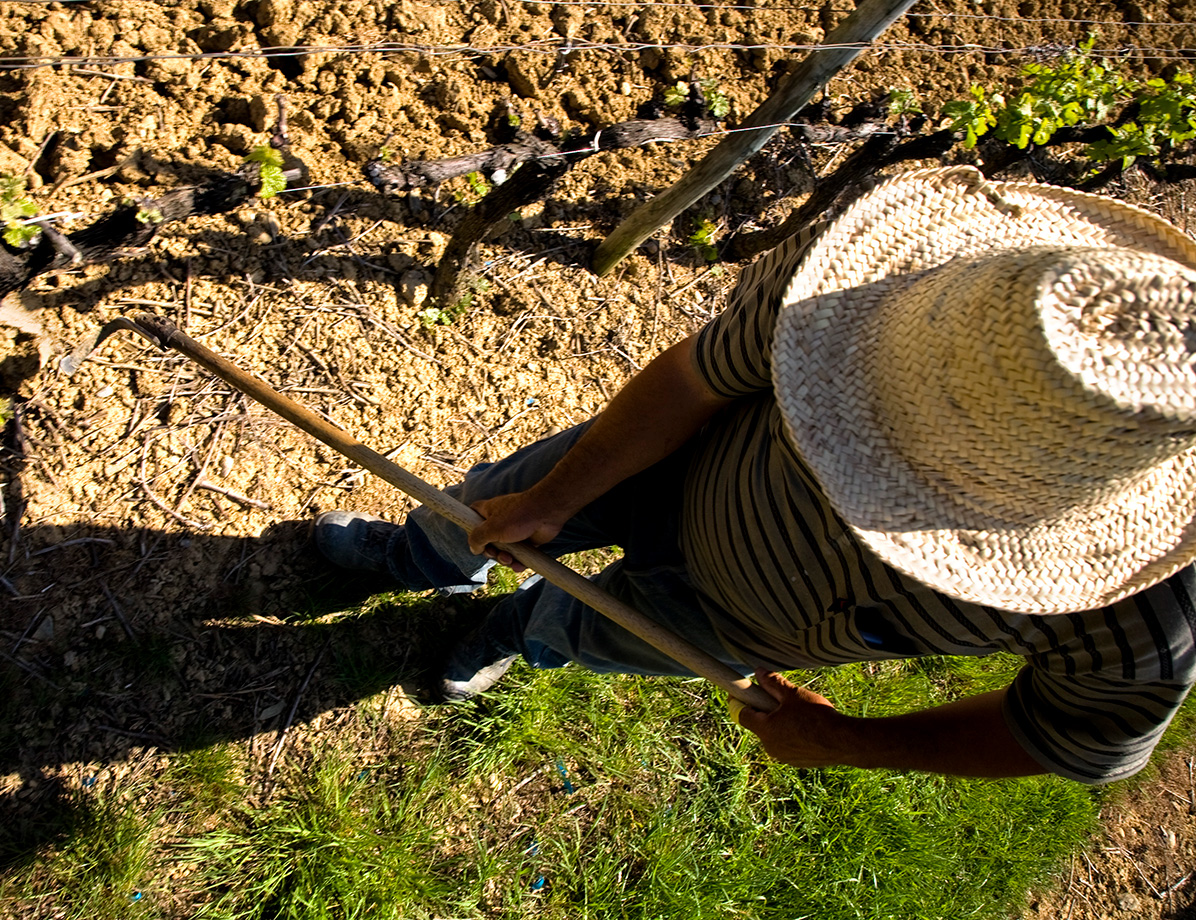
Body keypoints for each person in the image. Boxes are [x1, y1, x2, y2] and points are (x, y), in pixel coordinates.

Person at [313, 166, 1196, 784]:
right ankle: (415, 558)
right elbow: (695, 377)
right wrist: (554, 498)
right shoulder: (863, 281)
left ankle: (510, 634)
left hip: (741, 627)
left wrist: (849, 741)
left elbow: (1068, 738)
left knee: (578, 629)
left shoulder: (1150, 615)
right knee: (482, 509)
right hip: (668, 464)